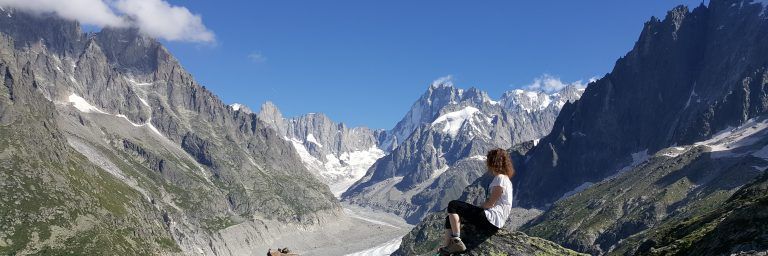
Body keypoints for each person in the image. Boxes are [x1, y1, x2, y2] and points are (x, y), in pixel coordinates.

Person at [439, 148, 515, 254]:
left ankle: (456, 241)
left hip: (492, 219)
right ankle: (446, 248)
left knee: (453, 205)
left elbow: (491, 203)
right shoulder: (504, 179)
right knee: (450, 218)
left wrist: (478, 209)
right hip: (493, 221)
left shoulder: (501, 178)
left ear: (493, 162)